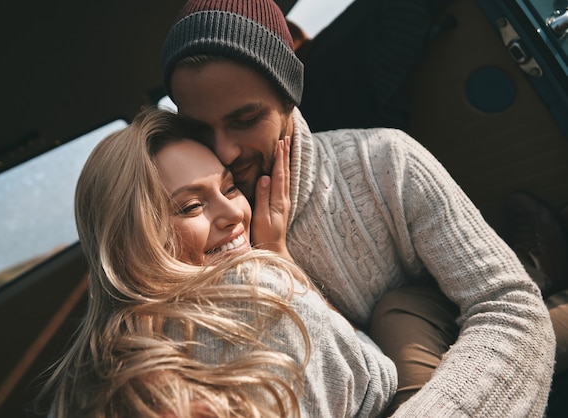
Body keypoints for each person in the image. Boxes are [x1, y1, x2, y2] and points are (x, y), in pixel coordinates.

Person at [160, 0, 556, 416]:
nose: (224, 150)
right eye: (200, 128)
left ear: (288, 94)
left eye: (245, 119)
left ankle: (540, 269)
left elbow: (508, 305)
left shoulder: (386, 162)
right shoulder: (197, 239)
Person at [35, 107, 397, 417]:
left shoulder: (82, 377)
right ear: (131, 240)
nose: (233, 215)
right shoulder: (260, 298)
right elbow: (376, 378)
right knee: (403, 308)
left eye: (230, 188)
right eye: (191, 206)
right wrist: (279, 264)